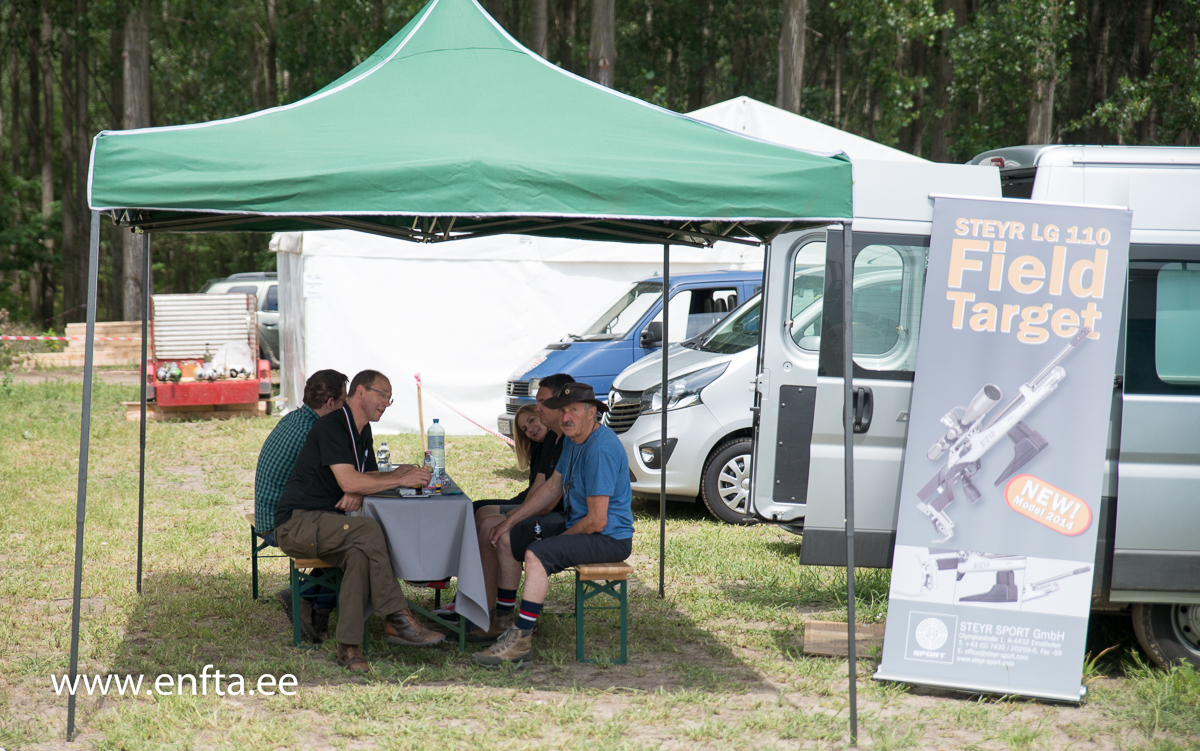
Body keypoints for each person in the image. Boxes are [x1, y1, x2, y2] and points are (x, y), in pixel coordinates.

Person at [274, 370, 445, 671]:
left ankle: (349, 648)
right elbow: (351, 482)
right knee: (368, 530)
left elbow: (362, 480)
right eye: (383, 395)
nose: (386, 403)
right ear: (361, 391)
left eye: (389, 399)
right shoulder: (332, 425)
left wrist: (382, 479)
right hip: (298, 523)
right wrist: (383, 480)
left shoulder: (361, 430)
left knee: (359, 555)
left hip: (328, 524)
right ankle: (396, 617)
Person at [474, 382, 635, 667]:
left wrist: (556, 542)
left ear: (592, 413)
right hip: (583, 525)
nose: (565, 418)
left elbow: (598, 520)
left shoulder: (600, 449)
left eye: (573, 410)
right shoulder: (575, 441)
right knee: (509, 537)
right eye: (562, 411)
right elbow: (551, 488)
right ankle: (503, 620)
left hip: (608, 538)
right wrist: (510, 521)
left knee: (538, 554)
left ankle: (521, 641)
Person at [467, 373, 574, 642]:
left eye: (540, 405)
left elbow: (549, 500)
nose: (537, 410)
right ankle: (490, 612)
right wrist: (515, 515)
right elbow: (541, 489)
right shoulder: (555, 439)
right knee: (488, 521)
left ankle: (500, 616)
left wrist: (512, 519)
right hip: (553, 511)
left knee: (501, 532)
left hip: (569, 519)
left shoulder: (573, 439)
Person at [253, 369, 348, 642]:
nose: (344, 408)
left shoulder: (296, 418)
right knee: (349, 538)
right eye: (342, 401)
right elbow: (335, 486)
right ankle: (306, 597)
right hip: (279, 523)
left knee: (342, 533)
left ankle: (314, 605)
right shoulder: (314, 432)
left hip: (270, 513)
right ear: (330, 402)